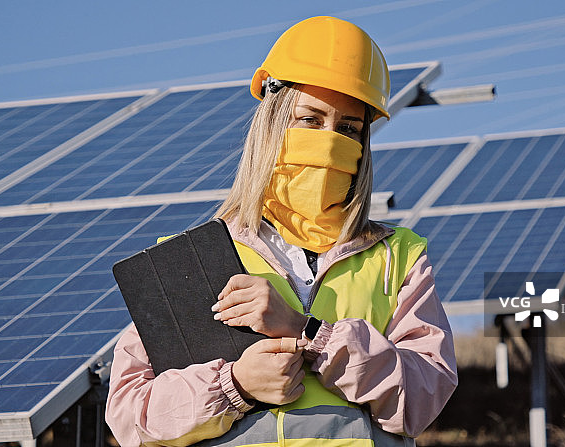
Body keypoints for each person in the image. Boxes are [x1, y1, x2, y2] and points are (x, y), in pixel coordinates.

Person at [105, 16, 457, 447]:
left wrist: (309, 332)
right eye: (310, 120)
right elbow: (129, 415)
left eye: (348, 128)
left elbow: (423, 396)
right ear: (272, 122)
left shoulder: (398, 256)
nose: (330, 142)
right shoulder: (188, 259)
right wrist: (235, 386)